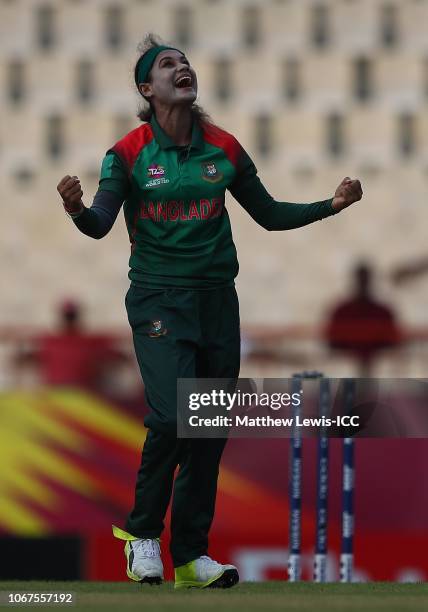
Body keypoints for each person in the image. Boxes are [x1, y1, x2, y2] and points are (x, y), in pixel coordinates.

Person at [57, 34, 363, 589]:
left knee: (208, 429)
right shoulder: (126, 154)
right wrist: (78, 210)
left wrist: (330, 205)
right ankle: (143, 534)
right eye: (168, 64)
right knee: (175, 416)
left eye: (186, 61)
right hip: (158, 300)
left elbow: (268, 214)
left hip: (218, 301)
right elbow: (101, 222)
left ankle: (192, 556)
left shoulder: (222, 147)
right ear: (147, 88)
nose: (184, 68)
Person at [325, 262, 401, 376]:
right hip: (346, 371)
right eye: (361, 279)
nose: (363, 283)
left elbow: (393, 342)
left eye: (365, 279)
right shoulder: (342, 311)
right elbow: (332, 343)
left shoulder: (383, 312)